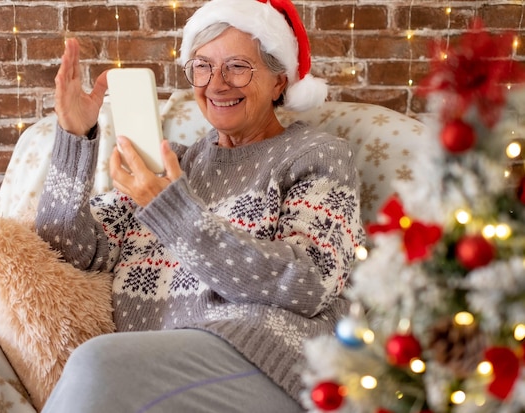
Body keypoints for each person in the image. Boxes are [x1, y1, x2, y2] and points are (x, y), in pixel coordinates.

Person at [37, 0, 364, 411]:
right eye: (203, 66)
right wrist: (73, 135)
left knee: (95, 364)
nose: (216, 84)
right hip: (156, 362)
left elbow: (310, 282)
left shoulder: (317, 156)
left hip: (271, 360)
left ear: (280, 81)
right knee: (100, 366)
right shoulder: (168, 165)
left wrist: (172, 211)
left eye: (238, 66)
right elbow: (65, 250)